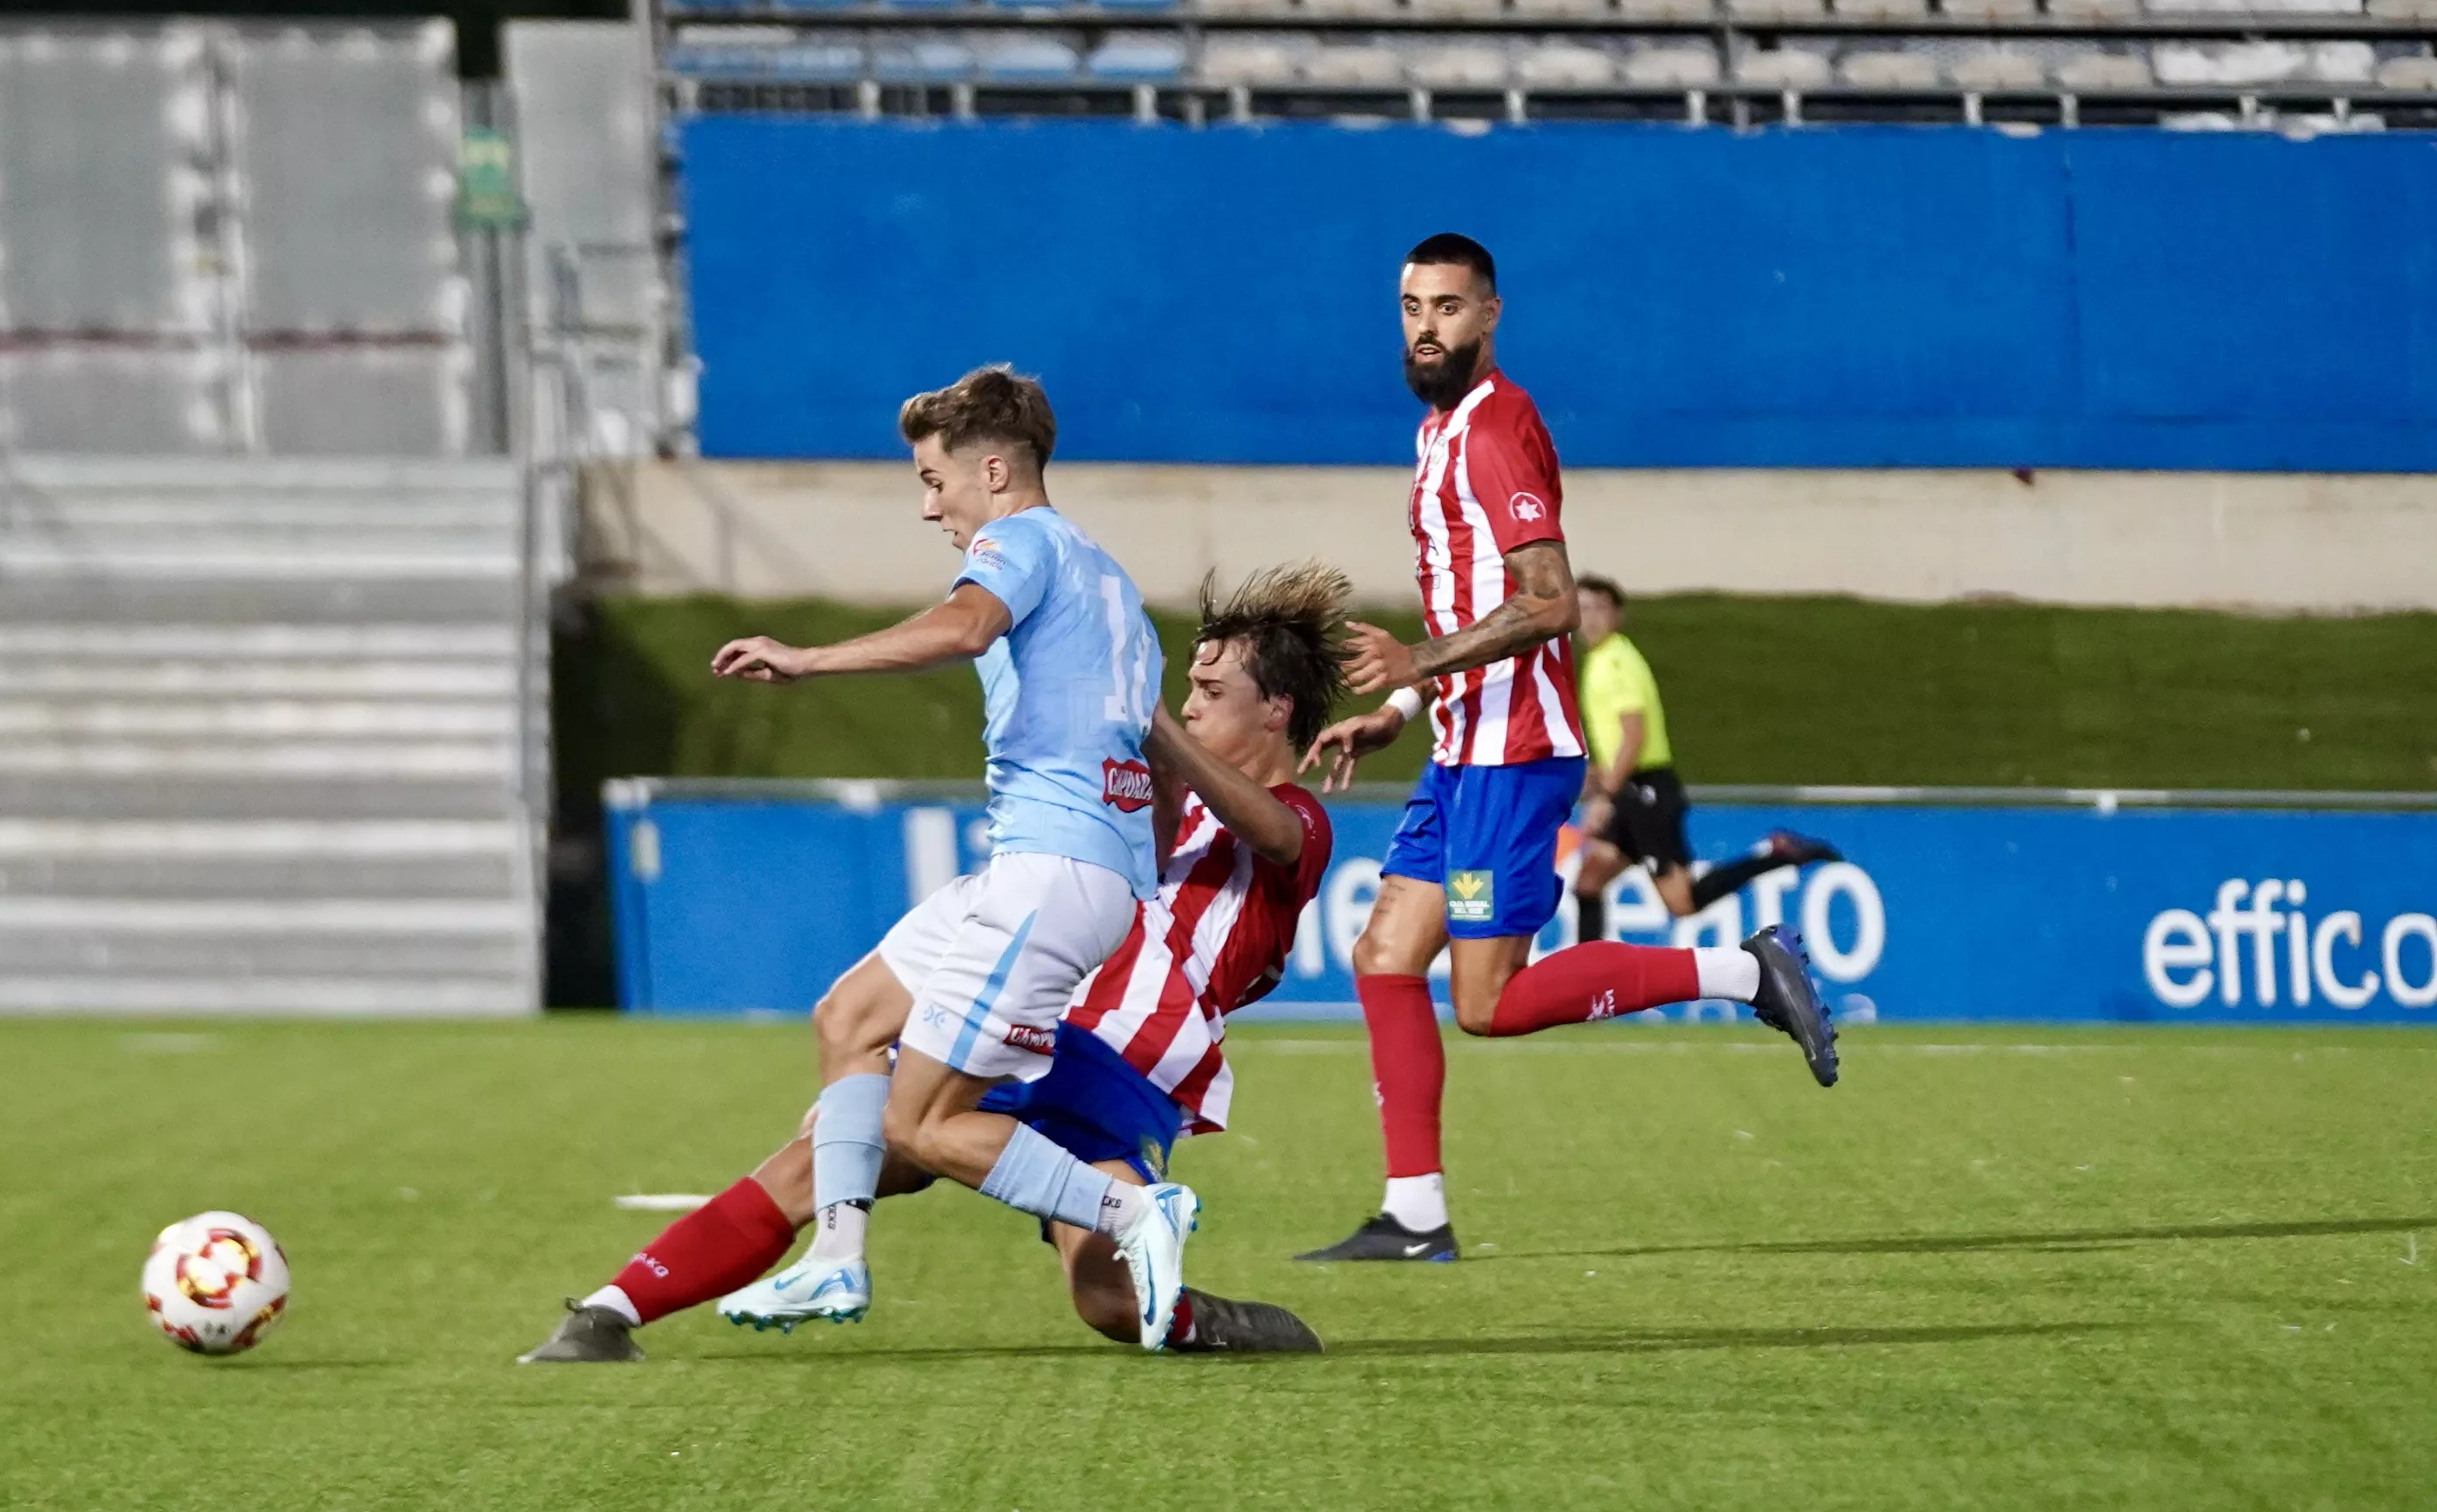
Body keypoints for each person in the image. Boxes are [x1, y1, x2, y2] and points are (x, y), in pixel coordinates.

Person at [523, 565, 1357, 1362]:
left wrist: (1159, 728)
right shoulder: (1153, 801)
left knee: (1103, 1299)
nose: (1189, 707)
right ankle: (610, 1311)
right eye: (1186, 691)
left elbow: (1271, 833)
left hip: (1127, 1072)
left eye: (1212, 695)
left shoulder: (1297, 823)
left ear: (1277, 710)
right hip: (1038, 1033)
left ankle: (1198, 1314)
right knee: (831, 1152)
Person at [1294, 235, 1839, 1267]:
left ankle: (1746, 969)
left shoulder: (1495, 426)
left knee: (1488, 1003)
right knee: (1382, 956)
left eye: (1448, 306)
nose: (1425, 325)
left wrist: (1414, 657)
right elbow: (1467, 602)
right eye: (1411, 305)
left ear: (1490, 315)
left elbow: (1547, 603)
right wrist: (1403, 702)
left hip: (1513, 751)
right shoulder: (1437, 431)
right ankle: (1413, 1214)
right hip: (1463, 745)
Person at [1568, 574, 1840, 942]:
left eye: (1600, 608)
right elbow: (1620, 741)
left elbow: (1633, 736)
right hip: (1632, 789)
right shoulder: (1603, 660)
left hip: (1645, 793)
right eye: (1582, 609)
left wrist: (1604, 797)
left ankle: (1779, 855)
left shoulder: (1615, 661)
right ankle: (1588, 983)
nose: (1591, 618)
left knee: (1682, 903)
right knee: (1589, 881)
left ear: (1618, 615)